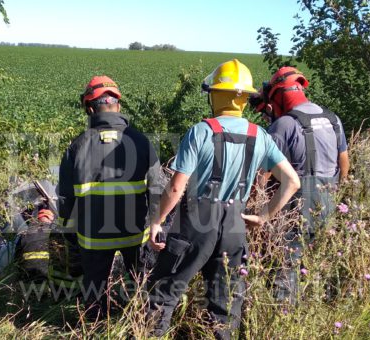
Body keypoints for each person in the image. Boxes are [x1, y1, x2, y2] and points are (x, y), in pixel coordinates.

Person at [146, 59, 301, 339]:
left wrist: (156, 221)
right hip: (234, 224)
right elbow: (293, 181)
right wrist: (264, 215)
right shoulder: (261, 136)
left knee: (163, 294)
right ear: (244, 99)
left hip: (195, 219)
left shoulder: (201, 131)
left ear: (216, 94)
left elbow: (177, 186)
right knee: (224, 306)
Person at [57, 75, 162, 319]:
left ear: (90, 108)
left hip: (92, 237)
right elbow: (157, 189)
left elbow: (65, 198)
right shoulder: (141, 141)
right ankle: (140, 326)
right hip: (135, 234)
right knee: (142, 288)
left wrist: (69, 234)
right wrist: (157, 226)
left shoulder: (77, 146)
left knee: (94, 295)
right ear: (118, 106)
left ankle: (95, 328)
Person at [251, 66, 350, 303]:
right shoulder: (333, 119)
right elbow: (344, 165)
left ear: (278, 94)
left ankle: (282, 317)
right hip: (327, 201)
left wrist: (255, 208)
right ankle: (316, 305)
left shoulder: (283, 125)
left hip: (295, 206)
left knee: (286, 265)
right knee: (315, 261)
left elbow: (262, 174)